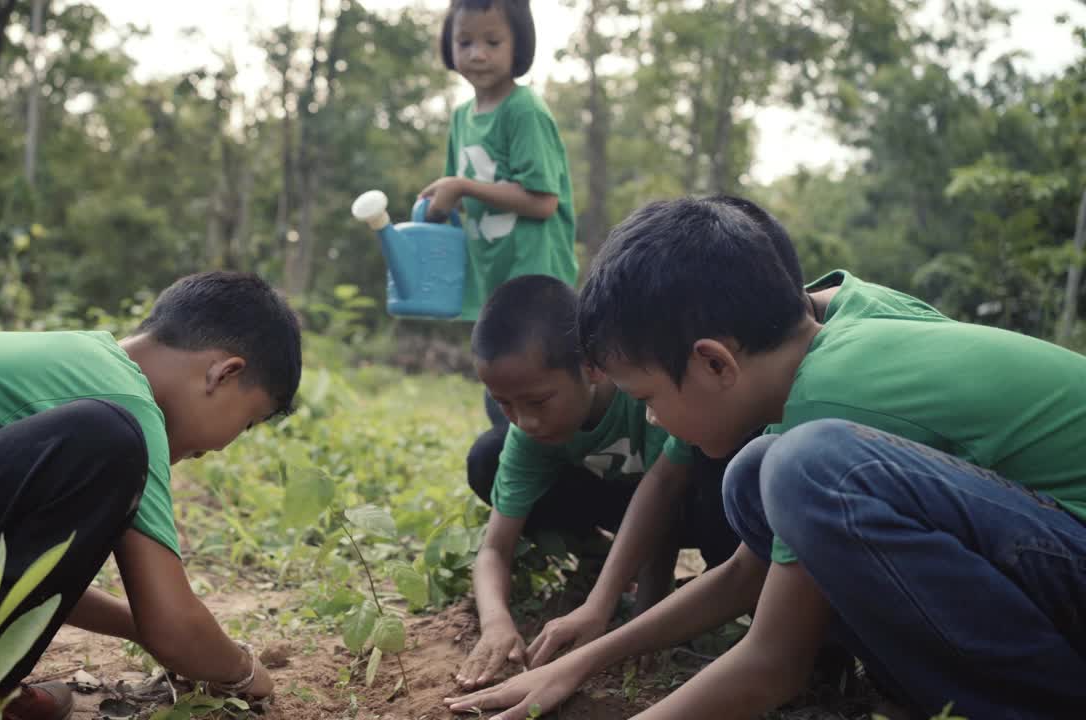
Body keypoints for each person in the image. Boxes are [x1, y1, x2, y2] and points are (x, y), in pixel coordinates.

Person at [445, 196, 1086, 720]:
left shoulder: (830, 396)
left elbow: (769, 665)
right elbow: (749, 575)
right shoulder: (831, 326)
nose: (650, 419)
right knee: (757, 477)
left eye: (647, 397)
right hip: (1046, 544)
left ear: (714, 362)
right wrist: (584, 660)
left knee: (800, 466)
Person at [0, 271, 301, 720]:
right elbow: (171, 625)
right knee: (107, 440)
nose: (218, 447)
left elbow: (19, 571)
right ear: (224, 373)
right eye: (247, 422)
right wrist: (242, 671)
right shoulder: (119, 407)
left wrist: (134, 625)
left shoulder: (81, 365)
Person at [459, 274, 740, 691]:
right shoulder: (528, 431)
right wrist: (496, 622)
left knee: (718, 478)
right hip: (621, 502)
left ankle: (704, 593)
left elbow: (664, 492)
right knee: (487, 457)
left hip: (686, 504)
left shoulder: (648, 392)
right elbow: (495, 549)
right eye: (505, 404)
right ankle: (597, 555)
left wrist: (645, 618)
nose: (525, 421)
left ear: (590, 366)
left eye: (538, 401)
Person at [420, 0, 578, 326]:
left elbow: (543, 202)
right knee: (496, 374)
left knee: (536, 373)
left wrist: (461, 186)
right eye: (465, 42)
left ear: (518, 43)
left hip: (535, 282)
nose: (478, 54)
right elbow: (462, 197)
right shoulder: (461, 117)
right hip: (490, 279)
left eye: (493, 42)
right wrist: (438, 203)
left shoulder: (524, 110)